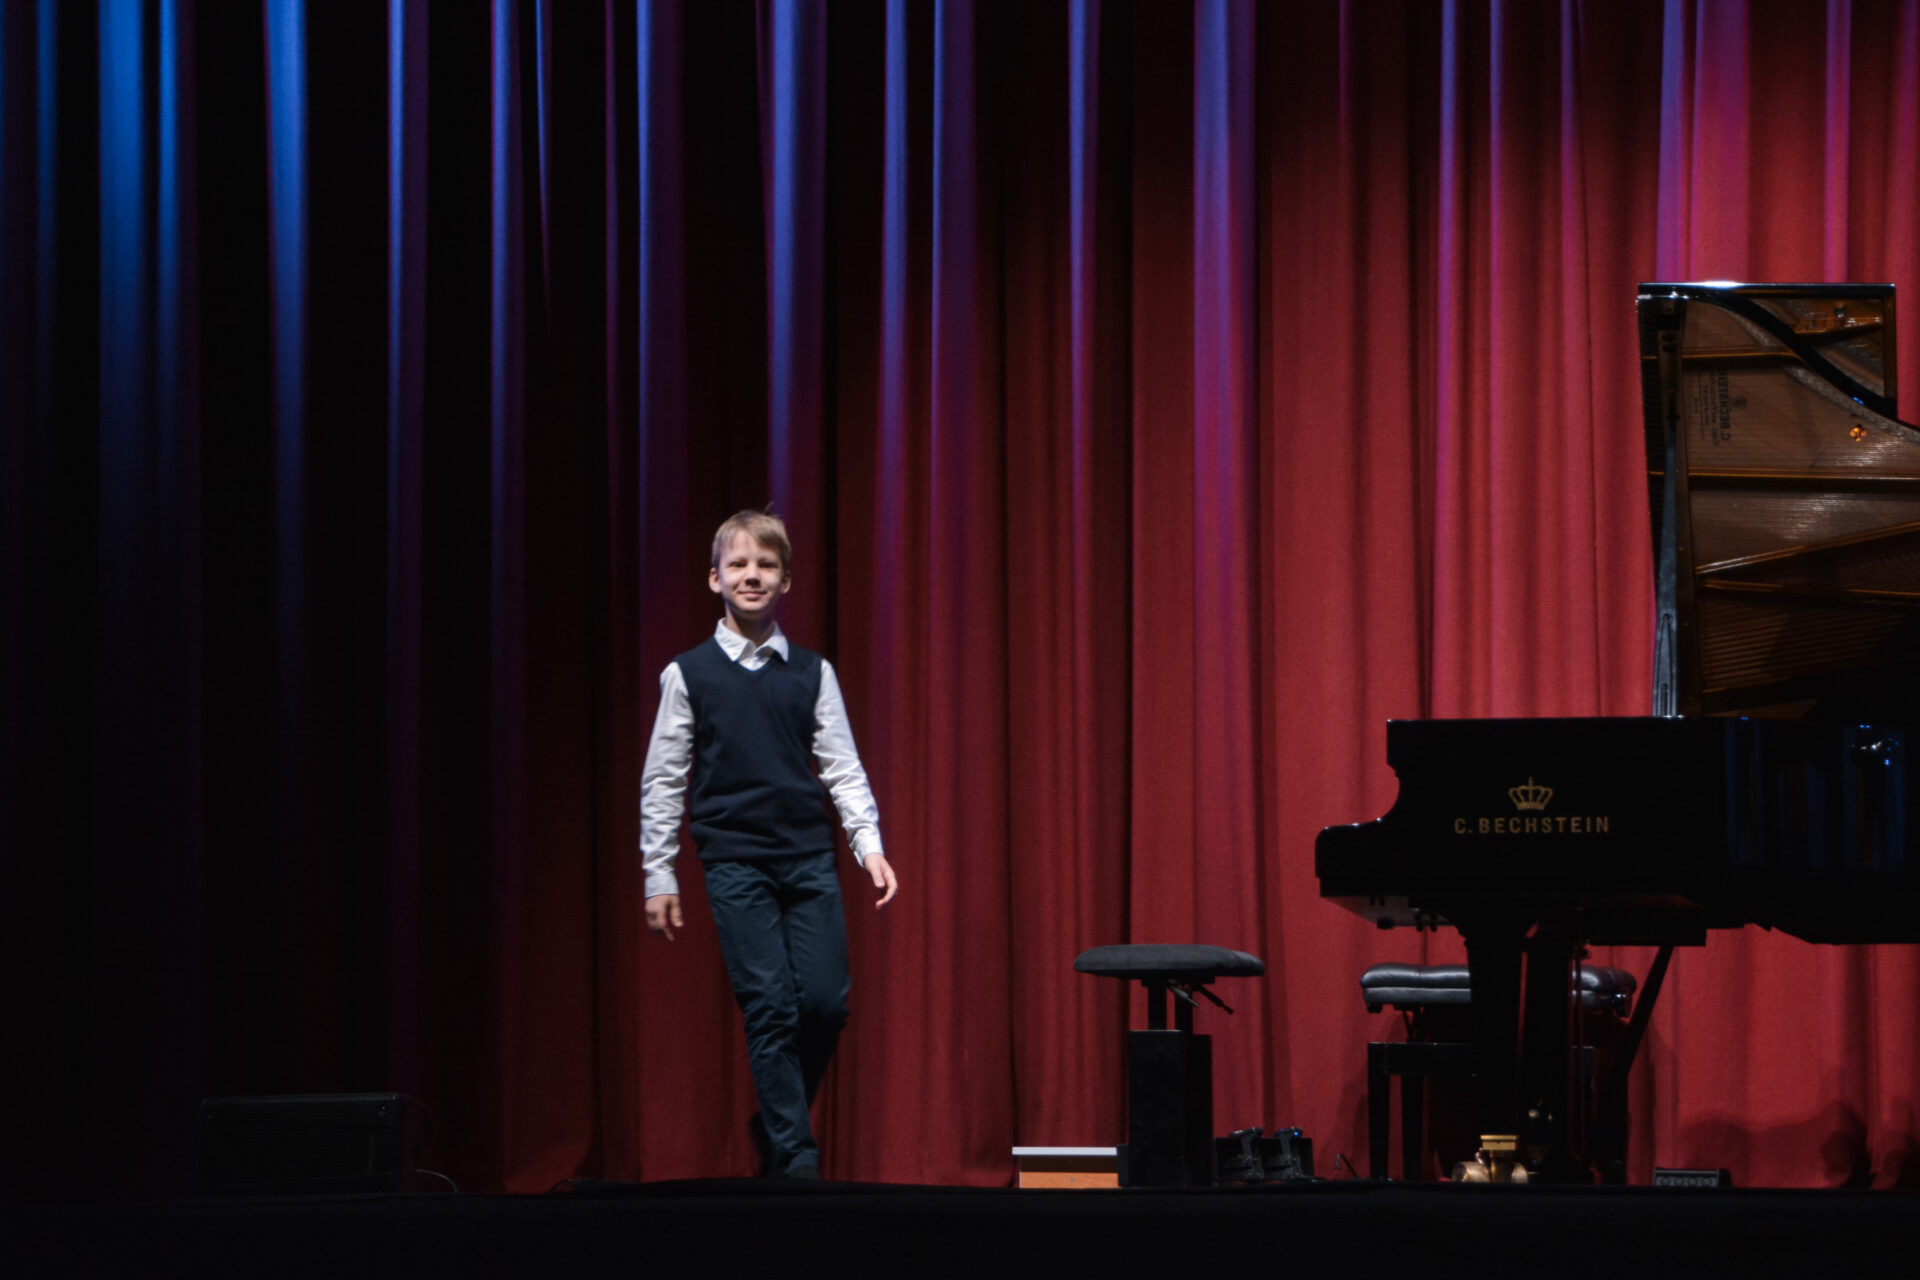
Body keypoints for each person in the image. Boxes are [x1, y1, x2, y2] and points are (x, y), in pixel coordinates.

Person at [640, 509, 898, 1179]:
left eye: (766, 565)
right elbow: (663, 779)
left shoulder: (811, 672)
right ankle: (795, 1155)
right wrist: (659, 874)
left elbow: (841, 765)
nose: (751, 576)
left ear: (786, 581)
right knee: (771, 1006)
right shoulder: (688, 674)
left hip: (807, 857)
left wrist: (868, 844)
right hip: (734, 861)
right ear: (715, 579)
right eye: (738, 565)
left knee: (825, 1004)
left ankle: (776, 1118)